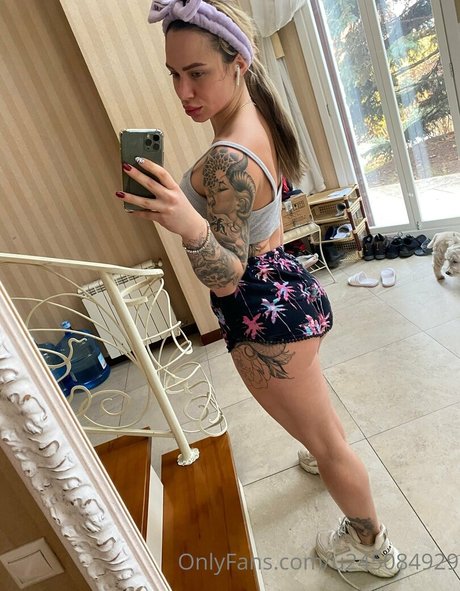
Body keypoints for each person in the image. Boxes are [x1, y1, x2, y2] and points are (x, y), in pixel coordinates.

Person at [116, 0, 400, 583]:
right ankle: (320, 451)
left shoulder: (228, 156)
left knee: (329, 443)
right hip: (287, 288)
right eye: (174, 74)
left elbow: (225, 274)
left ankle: (371, 547)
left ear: (238, 63)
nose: (184, 91)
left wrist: (185, 221)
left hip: (263, 316)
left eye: (198, 73)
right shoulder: (258, 114)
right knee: (320, 424)